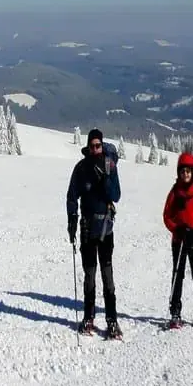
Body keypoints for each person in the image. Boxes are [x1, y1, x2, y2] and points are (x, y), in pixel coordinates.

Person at [66, 128, 122, 339]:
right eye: (92, 146)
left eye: (98, 145)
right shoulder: (81, 168)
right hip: (88, 228)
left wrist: (107, 179)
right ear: (88, 147)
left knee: (107, 276)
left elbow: (116, 195)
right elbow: (72, 196)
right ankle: (89, 317)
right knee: (89, 275)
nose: (95, 149)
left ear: (102, 145)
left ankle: (112, 319)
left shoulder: (110, 166)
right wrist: (72, 218)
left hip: (106, 228)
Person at [162, 152, 193, 330]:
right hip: (180, 240)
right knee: (178, 275)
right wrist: (177, 229)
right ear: (179, 172)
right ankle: (175, 312)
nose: (185, 175)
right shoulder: (175, 192)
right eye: (183, 171)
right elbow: (167, 215)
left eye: (188, 172)